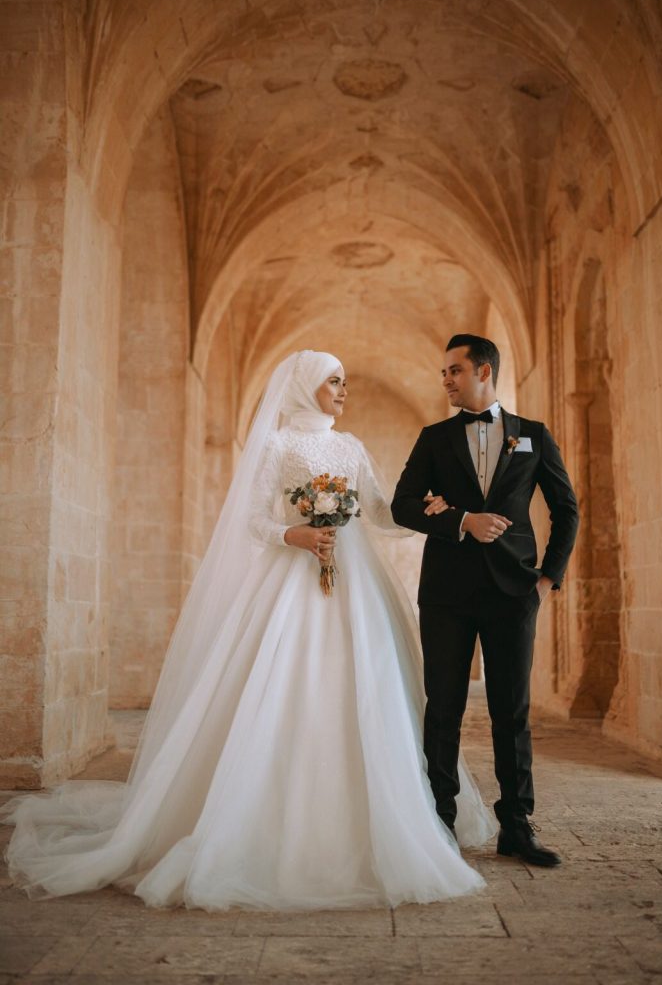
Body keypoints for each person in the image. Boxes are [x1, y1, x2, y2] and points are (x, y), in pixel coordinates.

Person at [2, 350, 495, 911]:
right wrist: (297, 536)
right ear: (307, 386)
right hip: (291, 579)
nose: (342, 390)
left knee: (369, 687)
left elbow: (379, 513)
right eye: (333, 382)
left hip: (355, 586)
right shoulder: (277, 445)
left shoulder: (352, 446)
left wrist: (431, 513)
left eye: (344, 382)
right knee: (279, 687)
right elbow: (253, 519)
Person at [392, 334, 579, 867]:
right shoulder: (434, 438)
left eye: (454, 370)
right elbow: (404, 505)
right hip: (447, 593)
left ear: (484, 371)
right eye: (443, 373)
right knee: (444, 709)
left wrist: (548, 578)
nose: (446, 380)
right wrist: (461, 521)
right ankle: (440, 823)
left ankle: (516, 826)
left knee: (511, 712)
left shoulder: (533, 436)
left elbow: (567, 509)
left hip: (515, 592)